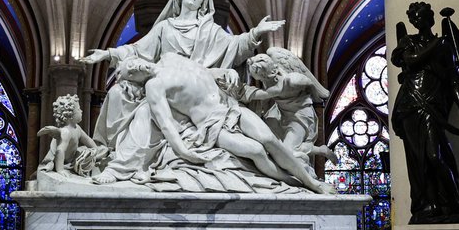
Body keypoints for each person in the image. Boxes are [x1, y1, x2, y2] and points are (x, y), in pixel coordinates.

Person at [82, 0, 282, 182]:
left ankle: (289, 174)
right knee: (132, 103)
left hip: (198, 93)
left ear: (203, 2)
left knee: (146, 113)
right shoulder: (165, 27)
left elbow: (235, 45)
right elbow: (138, 50)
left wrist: (256, 32)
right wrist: (108, 54)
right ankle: (119, 168)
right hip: (168, 90)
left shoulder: (210, 30)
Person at [120, 54, 333, 194]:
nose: (134, 66)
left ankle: (312, 183)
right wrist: (184, 152)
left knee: (270, 140)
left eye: (131, 62)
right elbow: (166, 123)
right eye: (130, 71)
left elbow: (203, 71)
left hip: (230, 107)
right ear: (133, 79)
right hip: (212, 125)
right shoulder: (154, 86)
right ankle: (293, 182)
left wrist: (227, 72)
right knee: (256, 151)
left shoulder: (170, 58)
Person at [389, 2, 459, 224]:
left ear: (430, 18)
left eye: (421, 16)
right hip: (410, 105)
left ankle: (455, 203)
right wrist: (437, 44)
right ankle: (429, 205)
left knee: (435, 155)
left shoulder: (445, 46)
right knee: (418, 160)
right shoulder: (409, 42)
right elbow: (410, 60)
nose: (417, 21)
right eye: (414, 18)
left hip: (432, 106)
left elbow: (453, 81)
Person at [243, 48, 331, 159]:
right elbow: (264, 99)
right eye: (261, 79)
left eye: (263, 77)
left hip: (300, 116)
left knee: (287, 152)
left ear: (273, 72)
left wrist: (316, 99)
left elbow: (310, 84)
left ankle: (321, 150)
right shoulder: (268, 81)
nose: (263, 81)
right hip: (280, 113)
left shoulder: (292, 81)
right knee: (268, 141)